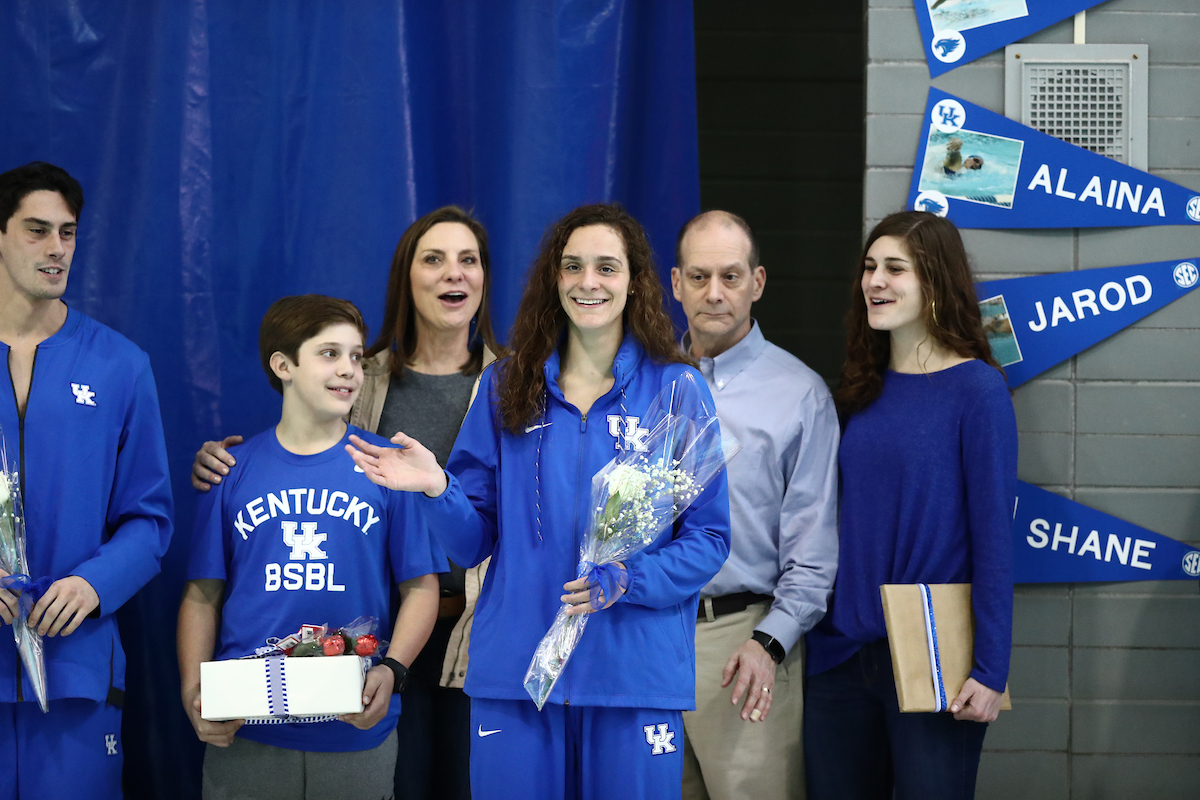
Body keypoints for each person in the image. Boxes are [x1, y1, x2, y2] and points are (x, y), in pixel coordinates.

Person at [346, 203, 731, 800]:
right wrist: (436, 488)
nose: (588, 282)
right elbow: (473, 539)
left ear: (634, 281)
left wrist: (630, 577)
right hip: (517, 675)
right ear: (555, 279)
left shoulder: (677, 389)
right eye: (573, 266)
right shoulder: (507, 385)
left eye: (607, 267)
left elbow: (709, 538)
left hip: (632, 675)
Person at [189, 206, 504, 800]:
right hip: (371, 636)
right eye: (433, 259)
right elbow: (299, 450)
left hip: (480, 634)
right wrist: (221, 466)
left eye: (468, 260)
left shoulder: (517, 385)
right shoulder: (367, 375)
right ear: (406, 279)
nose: (452, 274)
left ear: (486, 277)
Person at [178, 294, 445, 799]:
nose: (348, 370)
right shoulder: (231, 470)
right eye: (329, 354)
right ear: (283, 365)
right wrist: (194, 690)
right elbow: (201, 596)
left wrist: (393, 670)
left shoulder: (386, 466)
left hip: (354, 726)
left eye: (356, 357)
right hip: (246, 728)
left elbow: (421, 587)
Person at [804, 211, 1017, 800]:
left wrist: (991, 668)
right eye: (870, 267)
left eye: (895, 268)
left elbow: (995, 538)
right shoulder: (858, 389)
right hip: (841, 653)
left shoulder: (978, 391)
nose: (876, 281)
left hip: (934, 655)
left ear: (936, 283)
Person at [0, 161, 173, 799]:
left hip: (75, 669)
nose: (55, 249)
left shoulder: (120, 365)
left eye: (67, 234)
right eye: (37, 231)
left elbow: (149, 518)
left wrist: (92, 583)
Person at [670, 211, 838, 800]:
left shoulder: (800, 395)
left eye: (731, 276)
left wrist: (771, 642)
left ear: (757, 283)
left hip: (741, 645)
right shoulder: (641, 381)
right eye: (698, 276)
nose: (714, 293)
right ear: (675, 283)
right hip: (645, 635)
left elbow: (814, 551)